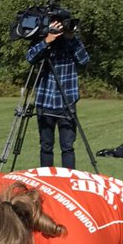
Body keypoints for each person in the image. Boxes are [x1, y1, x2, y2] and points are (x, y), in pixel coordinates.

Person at [26, 19, 90, 169]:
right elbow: (30, 58)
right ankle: (47, 180)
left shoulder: (72, 43)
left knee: (67, 146)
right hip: (45, 99)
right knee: (46, 145)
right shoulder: (42, 39)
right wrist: (47, 40)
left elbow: (85, 61)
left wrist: (70, 38)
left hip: (67, 99)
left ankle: (67, 181)